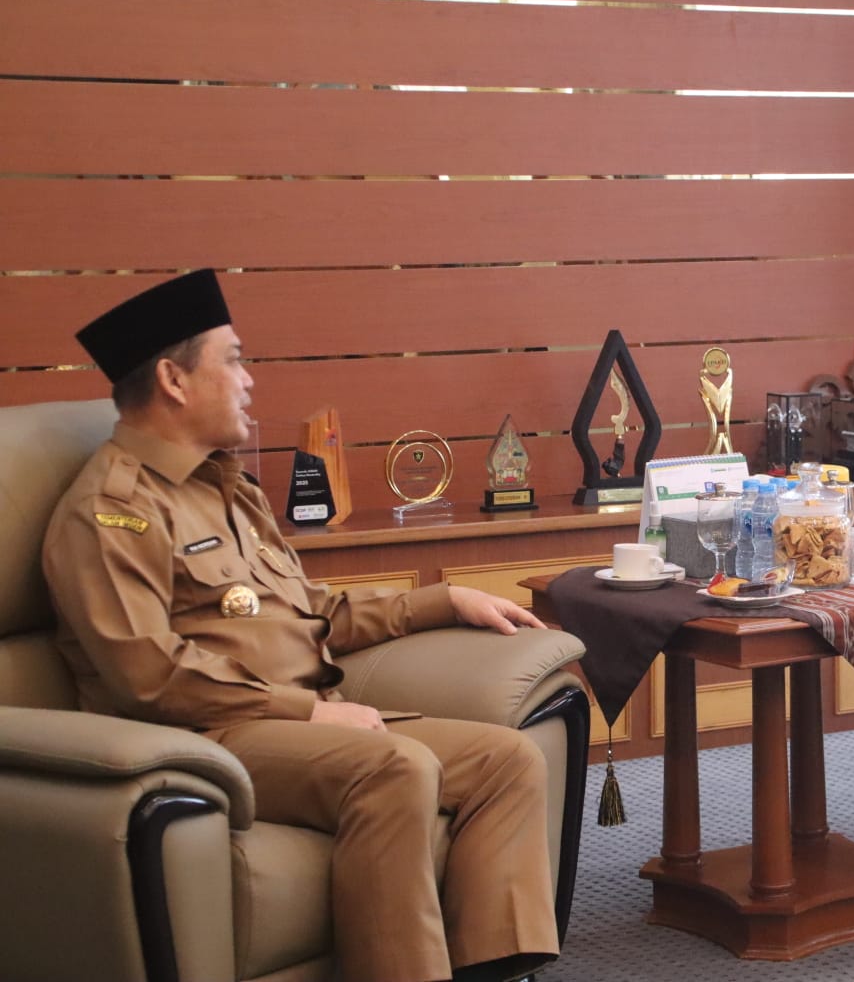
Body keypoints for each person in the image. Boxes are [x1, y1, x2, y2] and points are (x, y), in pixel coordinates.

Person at [43, 269, 559, 982]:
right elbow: (149, 676)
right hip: (205, 736)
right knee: (396, 766)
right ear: (173, 379)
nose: (249, 380)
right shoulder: (111, 511)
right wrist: (308, 712)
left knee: (508, 760)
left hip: (302, 717)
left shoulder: (228, 488)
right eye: (233, 360)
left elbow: (313, 611)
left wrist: (445, 600)